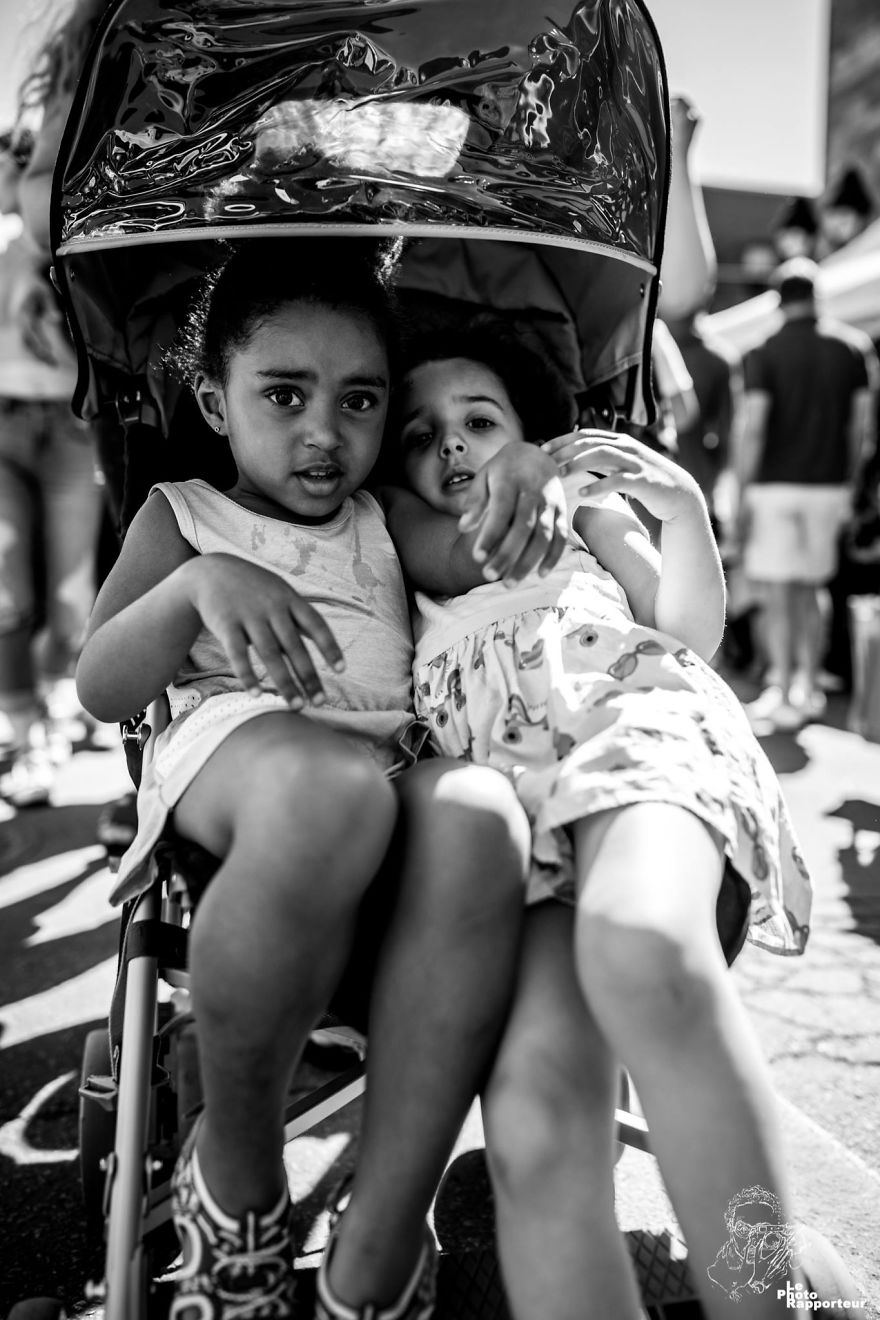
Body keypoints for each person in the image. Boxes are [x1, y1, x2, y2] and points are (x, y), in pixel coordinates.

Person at [75, 240, 572, 1320]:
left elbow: (491, 558)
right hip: (242, 768)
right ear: (213, 400)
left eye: (358, 401)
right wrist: (197, 588)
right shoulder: (184, 516)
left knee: (481, 811)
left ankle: (382, 1231)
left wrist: (530, 467)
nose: (323, 431)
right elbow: (104, 688)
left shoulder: (384, 517)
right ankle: (238, 1172)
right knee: (325, 793)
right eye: (284, 394)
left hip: (386, 770)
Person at [382, 326, 815, 1320]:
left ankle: (766, 1290)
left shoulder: (583, 506)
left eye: (477, 423)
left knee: (643, 946)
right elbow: (448, 539)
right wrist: (515, 463)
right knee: (533, 1116)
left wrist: (685, 512)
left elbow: (687, 632)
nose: (449, 447)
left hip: (637, 730)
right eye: (419, 435)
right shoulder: (397, 537)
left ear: (530, 432)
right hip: (519, 823)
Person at [0, 127, 103, 805]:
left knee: (71, 606)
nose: (18, 170)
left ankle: (64, 699)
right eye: (12, 159)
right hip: (1, 426)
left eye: (28, 159)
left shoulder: (81, 242)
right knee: (4, 591)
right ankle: (27, 729)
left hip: (71, 431)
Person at [736, 257, 879, 733]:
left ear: (779, 300)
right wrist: (852, 482)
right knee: (812, 587)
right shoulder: (853, 348)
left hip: (774, 485)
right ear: (817, 296)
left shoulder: (763, 351)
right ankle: (809, 686)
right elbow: (859, 428)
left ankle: (782, 688)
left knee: (778, 591)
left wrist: (742, 489)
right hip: (828, 485)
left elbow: (755, 426)